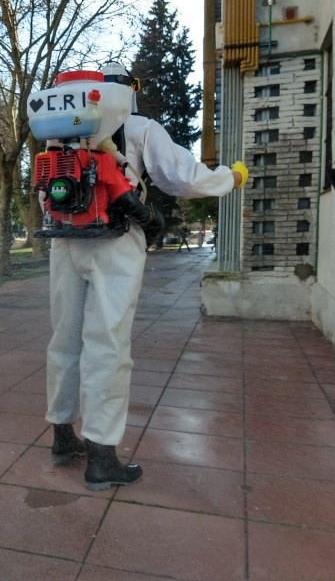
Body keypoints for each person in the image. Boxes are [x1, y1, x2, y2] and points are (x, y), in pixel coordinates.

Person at [45, 62, 248, 490]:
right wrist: (230, 177)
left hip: (64, 238)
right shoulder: (139, 128)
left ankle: (62, 436)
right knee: (108, 344)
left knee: (64, 339)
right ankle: (101, 457)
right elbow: (182, 177)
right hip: (115, 241)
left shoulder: (61, 129)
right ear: (129, 90)